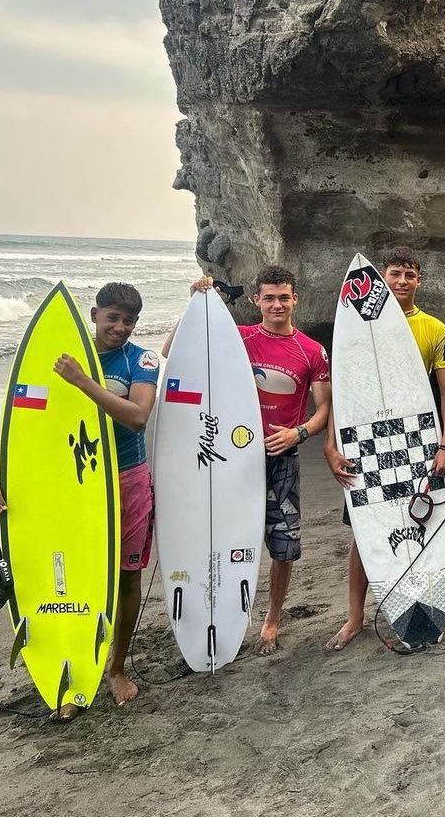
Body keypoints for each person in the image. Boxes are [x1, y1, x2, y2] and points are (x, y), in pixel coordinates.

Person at [0, 283, 160, 717]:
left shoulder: (142, 360)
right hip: (70, 484)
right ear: (95, 314)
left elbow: (137, 418)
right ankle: (75, 667)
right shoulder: (59, 354)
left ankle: (116, 667)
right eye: (112, 317)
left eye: (129, 321)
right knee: (71, 574)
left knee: (127, 576)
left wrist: (81, 381)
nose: (120, 327)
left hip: (125, 478)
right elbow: (28, 423)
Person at [171, 266, 331, 655]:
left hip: (283, 457)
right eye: (269, 297)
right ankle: (222, 610)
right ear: (256, 301)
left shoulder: (312, 351)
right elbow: (173, 354)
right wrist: (195, 304)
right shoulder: (239, 338)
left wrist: (300, 433)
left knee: (283, 544)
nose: (277, 305)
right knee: (224, 538)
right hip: (231, 458)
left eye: (284, 297)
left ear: (295, 299)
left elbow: (324, 409)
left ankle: (272, 618)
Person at [322, 246, 445, 650]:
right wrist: (330, 447)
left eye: (410, 275)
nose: (402, 282)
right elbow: (342, 398)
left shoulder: (435, 329)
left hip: (418, 444)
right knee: (365, 533)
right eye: (395, 274)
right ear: (382, 278)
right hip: (366, 449)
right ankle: (354, 618)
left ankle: (420, 603)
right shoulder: (355, 331)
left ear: (419, 280)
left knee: (422, 524)